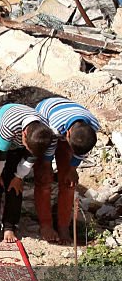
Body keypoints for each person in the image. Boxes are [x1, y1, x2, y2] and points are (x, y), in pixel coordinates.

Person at [0, 103, 57, 245]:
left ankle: (10, 226)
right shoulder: (9, 125)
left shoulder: (48, 135)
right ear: (24, 134)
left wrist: (19, 177)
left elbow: (32, 156)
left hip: (19, 145)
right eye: (27, 146)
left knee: (15, 185)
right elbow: (1, 154)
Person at [34, 96, 100, 243]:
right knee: (44, 179)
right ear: (68, 134)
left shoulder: (92, 127)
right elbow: (48, 150)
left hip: (69, 126)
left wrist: (72, 168)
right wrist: (46, 166)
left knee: (68, 182)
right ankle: (45, 225)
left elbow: (83, 148)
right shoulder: (54, 126)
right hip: (45, 120)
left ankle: (64, 227)